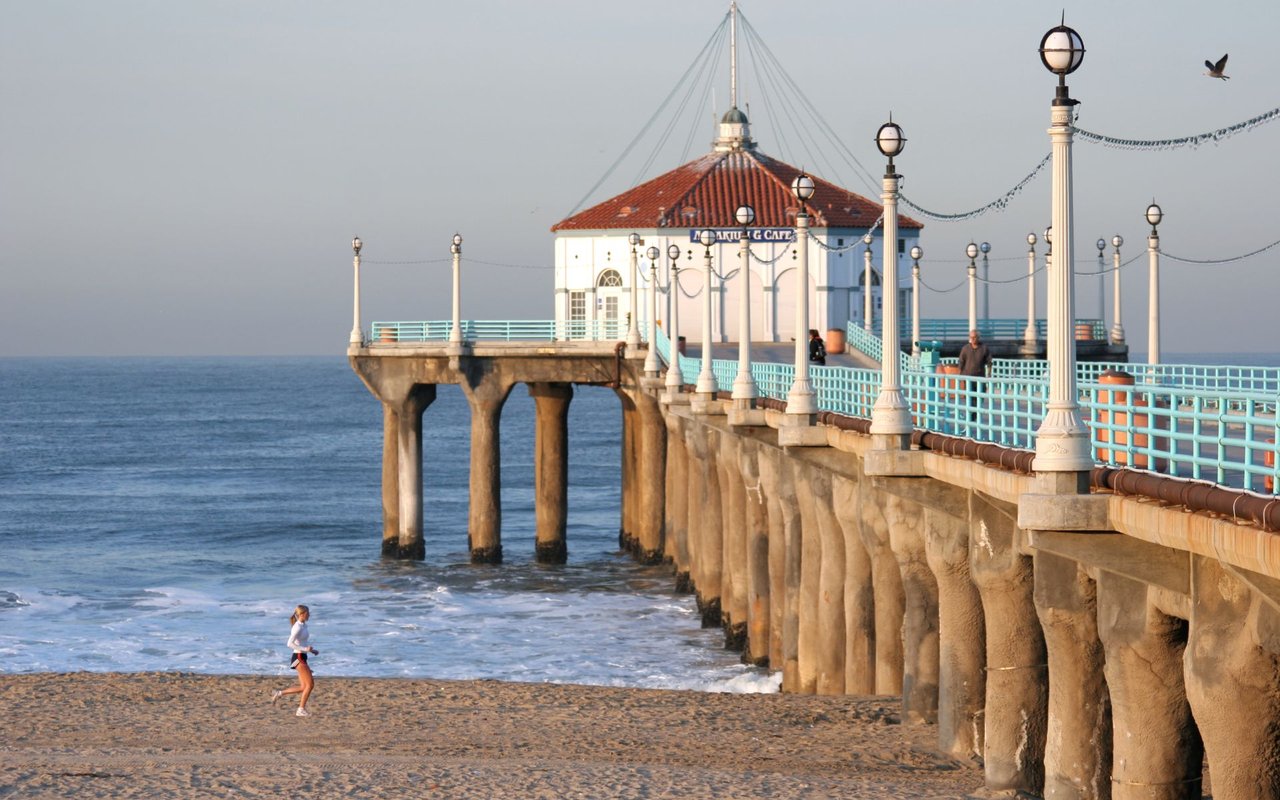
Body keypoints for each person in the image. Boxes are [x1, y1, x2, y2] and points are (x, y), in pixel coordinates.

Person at [271, 604, 319, 716]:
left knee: (303, 687)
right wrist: (305, 649)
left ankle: (279, 693)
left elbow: (301, 642)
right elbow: (289, 644)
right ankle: (300, 710)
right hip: (298, 657)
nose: (309, 614)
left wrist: (311, 651)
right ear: (302, 614)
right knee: (310, 685)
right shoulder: (297, 627)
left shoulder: (304, 626)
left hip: (302, 657)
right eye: (308, 612)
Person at [956, 329, 992, 421]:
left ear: (978, 338)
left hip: (980, 377)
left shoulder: (984, 348)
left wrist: (989, 374)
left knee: (980, 397)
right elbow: (961, 362)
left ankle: (976, 415)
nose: (973, 339)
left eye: (975, 337)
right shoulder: (965, 348)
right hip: (967, 377)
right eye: (971, 337)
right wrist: (959, 375)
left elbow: (989, 362)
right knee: (970, 398)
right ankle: (971, 417)